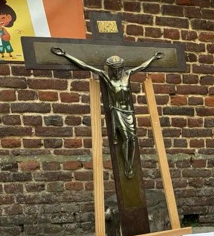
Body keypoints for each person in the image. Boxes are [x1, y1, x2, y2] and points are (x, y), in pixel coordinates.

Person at [50, 47, 164, 179]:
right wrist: (66, 55)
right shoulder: (106, 77)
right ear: (110, 69)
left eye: (119, 69)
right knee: (126, 138)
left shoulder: (127, 74)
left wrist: (153, 58)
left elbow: (142, 66)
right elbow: (85, 65)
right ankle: (127, 165)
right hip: (118, 111)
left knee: (133, 138)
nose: (117, 72)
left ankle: (130, 162)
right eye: (114, 69)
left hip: (129, 111)